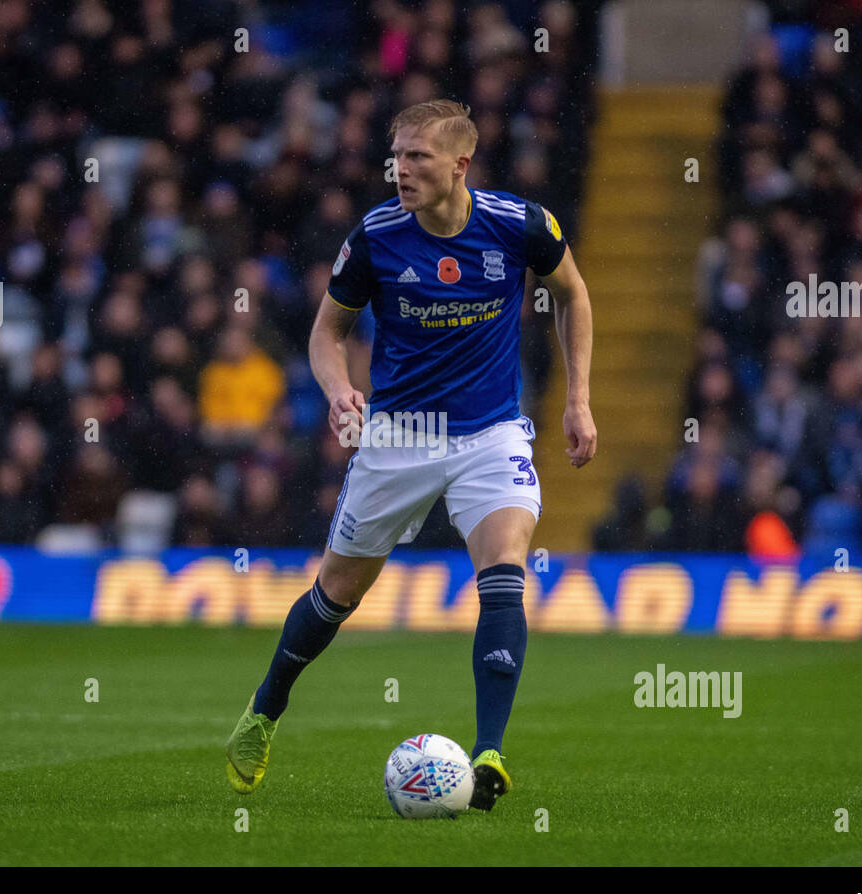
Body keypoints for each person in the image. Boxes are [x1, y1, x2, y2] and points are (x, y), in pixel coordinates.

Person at [225, 100, 596, 810]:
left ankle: (488, 753)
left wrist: (577, 399)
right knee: (338, 593)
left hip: (490, 432)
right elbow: (325, 334)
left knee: (504, 567)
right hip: (398, 437)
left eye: (419, 157)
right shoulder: (375, 237)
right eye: (397, 155)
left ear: (460, 164)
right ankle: (265, 709)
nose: (401, 169)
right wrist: (339, 392)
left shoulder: (520, 225)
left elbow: (572, 296)